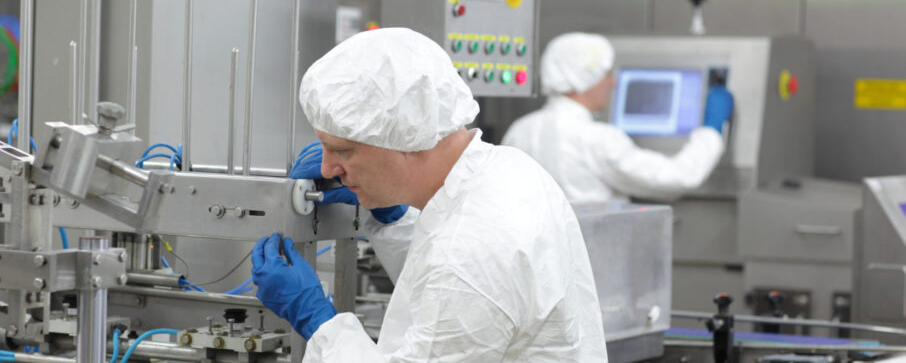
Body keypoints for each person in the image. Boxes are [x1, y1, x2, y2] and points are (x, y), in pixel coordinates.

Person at [250, 27, 607, 362]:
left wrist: (319, 323)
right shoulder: (508, 170)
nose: (328, 170)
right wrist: (392, 219)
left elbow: (460, 272)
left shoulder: (471, 250)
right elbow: (445, 288)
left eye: (342, 150)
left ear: (403, 138)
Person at [502, 32, 734, 204]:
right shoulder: (596, 139)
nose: (613, 82)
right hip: (595, 260)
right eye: (606, 74)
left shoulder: (519, 130)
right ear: (585, 81)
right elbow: (679, 177)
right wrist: (711, 129)